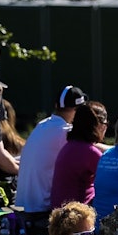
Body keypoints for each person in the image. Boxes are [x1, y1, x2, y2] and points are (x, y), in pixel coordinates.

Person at [14, 85, 86, 220]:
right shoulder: (65, 131)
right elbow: (91, 150)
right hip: (40, 210)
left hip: (22, 205)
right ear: (78, 110)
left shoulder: (43, 124)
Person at [49, 102, 108, 208]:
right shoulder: (90, 152)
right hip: (76, 215)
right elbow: (113, 179)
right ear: (101, 126)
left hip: (59, 212)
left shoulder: (70, 146)